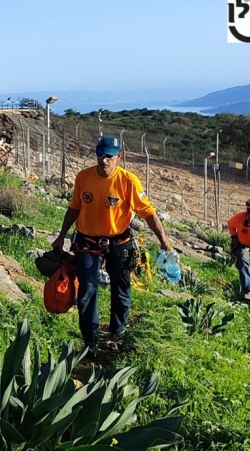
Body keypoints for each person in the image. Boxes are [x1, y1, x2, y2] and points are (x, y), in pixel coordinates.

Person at [51, 136, 172, 351]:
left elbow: (148, 212)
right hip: (87, 241)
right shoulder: (83, 178)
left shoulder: (128, 181)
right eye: (100, 155)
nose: (104, 160)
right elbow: (74, 207)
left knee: (121, 289)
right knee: (87, 289)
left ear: (119, 157)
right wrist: (61, 235)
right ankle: (91, 340)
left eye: (109, 156)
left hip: (119, 242)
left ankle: (117, 334)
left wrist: (164, 240)